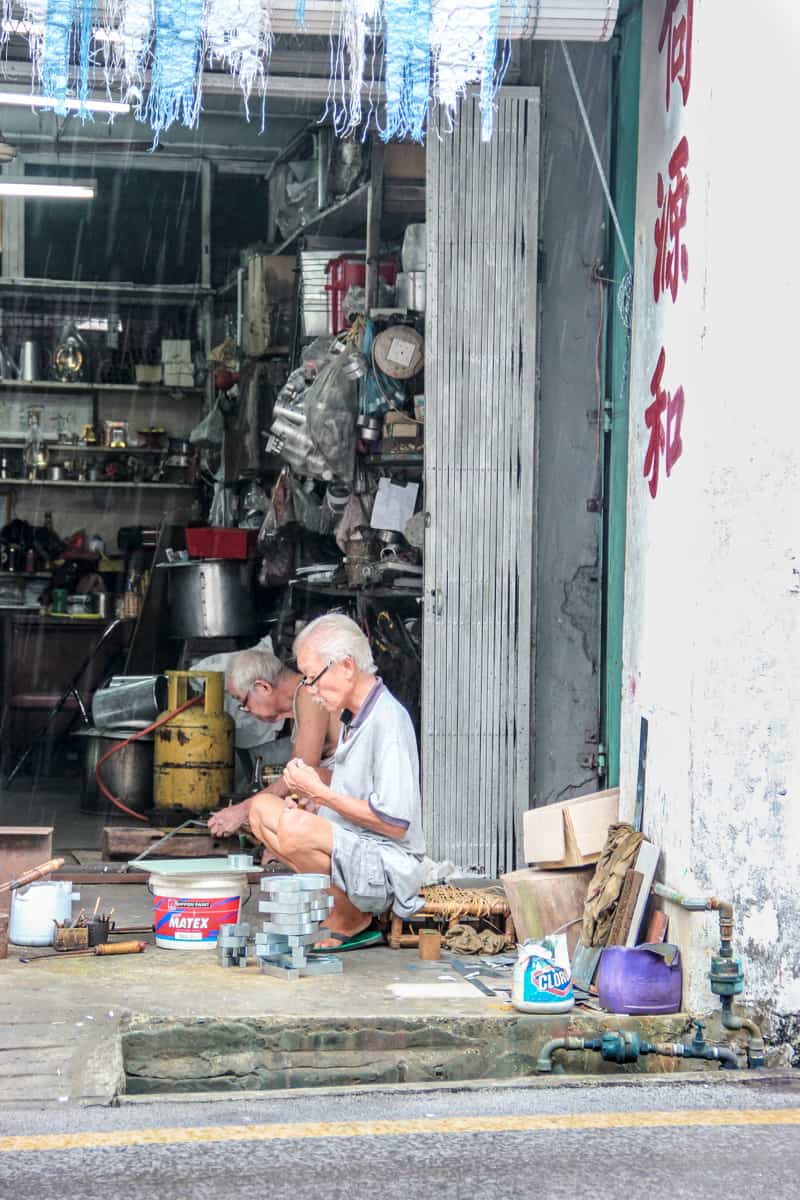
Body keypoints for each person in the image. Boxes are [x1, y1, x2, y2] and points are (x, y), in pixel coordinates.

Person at [248, 612, 425, 952]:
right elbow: (354, 787)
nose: (310, 691)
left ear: (346, 666)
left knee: (296, 829)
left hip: (387, 863)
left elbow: (395, 822)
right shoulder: (351, 718)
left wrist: (321, 794)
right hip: (355, 848)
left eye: (313, 678)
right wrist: (312, 789)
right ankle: (340, 906)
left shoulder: (388, 720)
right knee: (261, 810)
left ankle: (353, 916)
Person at [206, 647, 340, 838]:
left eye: (242, 701)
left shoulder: (309, 694)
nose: (246, 709)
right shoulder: (299, 703)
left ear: (263, 687)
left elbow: (301, 774)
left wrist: (244, 810)